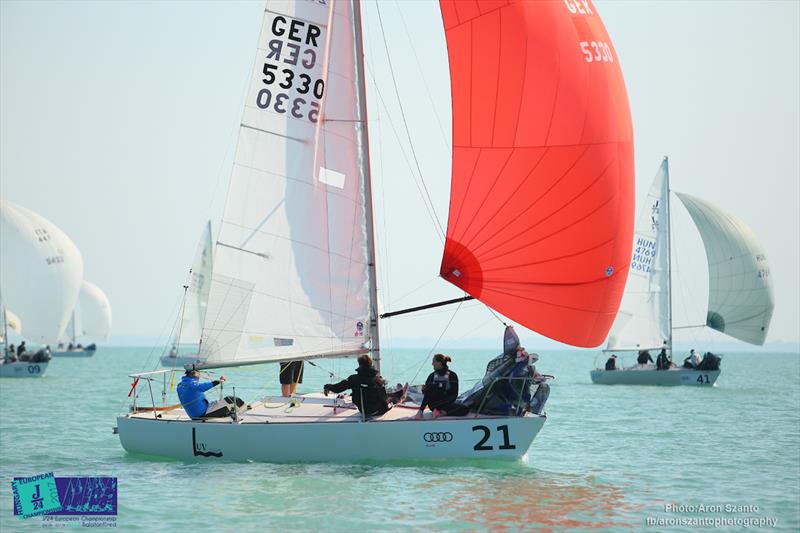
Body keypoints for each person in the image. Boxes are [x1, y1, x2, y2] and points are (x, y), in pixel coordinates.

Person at [323, 355, 397, 417]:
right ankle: (395, 399)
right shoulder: (378, 380)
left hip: (363, 410)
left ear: (359, 364)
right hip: (378, 411)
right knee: (388, 400)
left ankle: (395, 397)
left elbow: (337, 388)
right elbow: (383, 398)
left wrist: (327, 387)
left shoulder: (353, 378)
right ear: (370, 364)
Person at [176, 367, 243, 419]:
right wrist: (219, 381)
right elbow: (202, 387)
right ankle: (237, 417)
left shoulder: (180, 384)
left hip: (197, 413)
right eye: (198, 373)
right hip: (202, 414)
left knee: (224, 402)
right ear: (193, 374)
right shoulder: (191, 384)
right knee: (232, 401)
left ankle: (230, 414)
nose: (200, 375)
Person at [414, 354, 459, 419]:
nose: (432, 364)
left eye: (433, 361)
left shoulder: (433, 376)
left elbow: (427, 394)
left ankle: (440, 413)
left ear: (439, 363)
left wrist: (421, 410)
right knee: (464, 409)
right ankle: (442, 412)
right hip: (442, 405)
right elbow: (454, 395)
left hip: (436, 406)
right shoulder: (452, 375)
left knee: (464, 409)